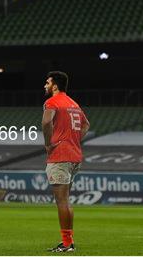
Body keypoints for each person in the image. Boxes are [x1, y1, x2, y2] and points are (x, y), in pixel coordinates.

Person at [42, 71, 90, 253]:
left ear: (55, 85)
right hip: (74, 155)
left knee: (62, 202)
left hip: (60, 155)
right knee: (66, 201)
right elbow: (86, 125)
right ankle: (68, 242)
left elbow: (46, 123)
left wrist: (48, 144)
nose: (45, 86)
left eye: (47, 82)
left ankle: (67, 244)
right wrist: (74, 139)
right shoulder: (73, 103)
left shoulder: (52, 102)